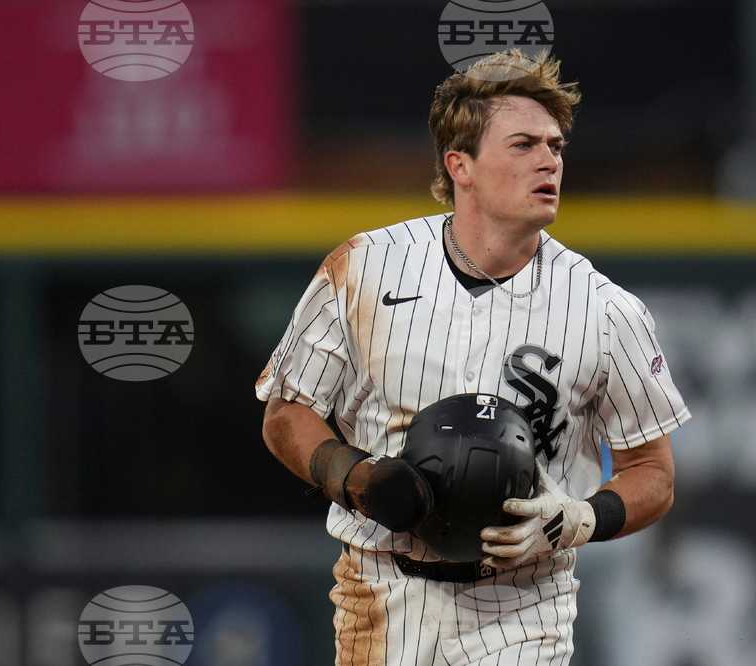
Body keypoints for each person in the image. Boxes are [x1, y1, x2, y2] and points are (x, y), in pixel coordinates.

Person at [256, 49, 690, 666]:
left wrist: (577, 519)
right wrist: (357, 479)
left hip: (522, 607)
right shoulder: (364, 268)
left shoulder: (604, 308)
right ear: (461, 164)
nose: (549, 160)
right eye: (523, 144)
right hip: (379, 593)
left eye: (556, 146)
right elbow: (286, 412)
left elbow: (655, 471)